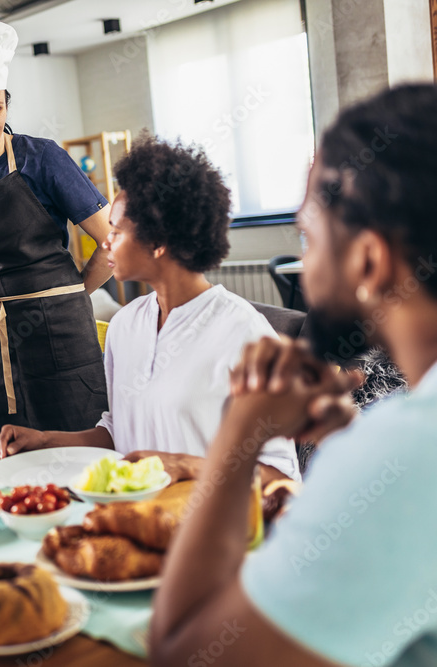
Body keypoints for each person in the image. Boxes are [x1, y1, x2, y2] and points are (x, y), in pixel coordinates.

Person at [150, 84, 437, 666]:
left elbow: (184, 651)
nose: (304, 262)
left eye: (308, 235)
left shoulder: (407, 445)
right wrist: (349, 449)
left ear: (367, 261)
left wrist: (242, 430)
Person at [0, 136, 300, 482]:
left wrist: (186, 466)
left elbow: (280, 476)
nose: (105, 241)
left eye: (117, 232)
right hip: (134, 521)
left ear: (158, 242)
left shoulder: (244, 333)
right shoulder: (125, 325)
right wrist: (45, 440)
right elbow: (119, 436)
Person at [0, 18, 114, 440]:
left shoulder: (43, 158)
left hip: (62, 340)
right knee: (3, 460)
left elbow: (111, 241)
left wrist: (71, 295)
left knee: (78, 458)